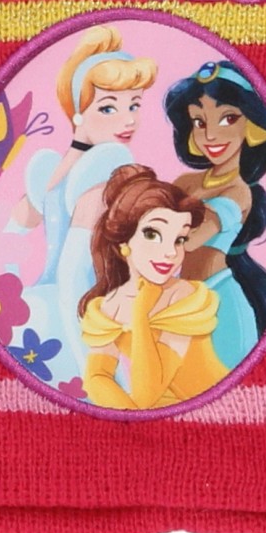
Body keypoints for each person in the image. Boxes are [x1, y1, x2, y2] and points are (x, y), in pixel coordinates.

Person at [6, 26, 156, 384]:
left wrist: (10, 294)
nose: (129, 119)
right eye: (109, 107)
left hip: (36, 307)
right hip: (79, 315)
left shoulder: (50, 171)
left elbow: (7, 238)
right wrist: (97, 367)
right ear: (77, 112)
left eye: (135, 104)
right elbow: (74, 276)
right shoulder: (104, 176)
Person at [162, 59, 266, 370]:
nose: (211, 135)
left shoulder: (238, 192)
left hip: (218, 302)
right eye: (199, 122)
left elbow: (191, 239)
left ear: (252, 127)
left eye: (228, 118)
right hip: (181, 298)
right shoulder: (185, 182)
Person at [77, 166, 228, 409]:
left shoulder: (182, 297)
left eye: (179, 239)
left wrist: (140, 314)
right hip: (157, 418)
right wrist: (128, 417)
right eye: (152, 234)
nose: (170, 252)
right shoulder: (108, 306)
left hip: (220, 410)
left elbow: (148, 394)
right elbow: (97, 377)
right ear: (123, 240)